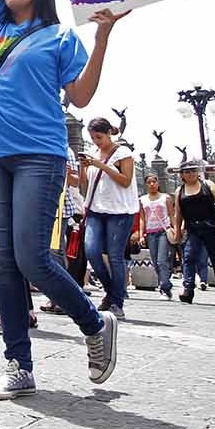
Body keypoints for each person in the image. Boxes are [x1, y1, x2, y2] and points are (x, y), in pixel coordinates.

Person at [0, 0, 121, 401]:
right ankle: (18, 363)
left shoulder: (59, 38)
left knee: (33, 257)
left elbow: (80, 97)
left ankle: (93, 323)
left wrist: (101, 40)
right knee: (2, 261)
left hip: (40, 153)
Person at [80, 117, 139, 319]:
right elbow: (85, 183)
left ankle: (117, 302)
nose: (96, 142)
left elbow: (125, 181)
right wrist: (83, 166)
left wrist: (101, 164)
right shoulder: (95, 154)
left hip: (120, 211)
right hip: (96, 209)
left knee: (115, 256)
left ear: (108, 133)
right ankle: (111, 291)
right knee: (91, 250)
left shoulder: (123, 153)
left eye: (99, 137)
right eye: (92, 138)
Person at [174, 160, 215, 305]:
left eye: (193, 170)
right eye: (187, 171)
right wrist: (178, 231)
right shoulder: (180, 191)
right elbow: (178, 213)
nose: (191, 174)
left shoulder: (208, 185)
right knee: (188, 257)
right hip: (192, 229)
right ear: (182, 175)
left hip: (211, 226)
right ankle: (188, 289)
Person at [137, 174, 176, 299]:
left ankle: (164, 287)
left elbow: (172, 215)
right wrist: (142, 234)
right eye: (149, 182)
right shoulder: (142, 200)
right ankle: (164, 283)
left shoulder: (166, 198)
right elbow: (142, 219)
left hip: (164, 231)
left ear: (158, 183)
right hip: (150, 232)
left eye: (154, 181)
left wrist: (175, 229)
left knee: (161, 260)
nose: (152, 184)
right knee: (155, 261)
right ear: (146, 184)